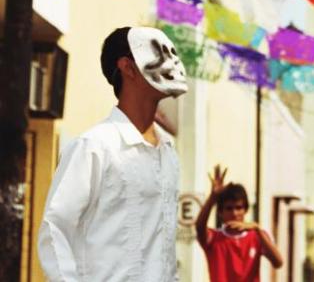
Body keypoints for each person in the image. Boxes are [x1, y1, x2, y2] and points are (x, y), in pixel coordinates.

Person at [38, 26, 188, 281]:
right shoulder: (93, 147)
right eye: (158, 52)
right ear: (128, 68)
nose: (172, 61)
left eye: (172, 52)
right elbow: (55, 230)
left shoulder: (168, 153)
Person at [195, 164, 283, 280]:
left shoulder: (257, 235)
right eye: (229, 208)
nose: (234, 213)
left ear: (245, 209)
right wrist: (213, 198)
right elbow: (199, 226)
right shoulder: (214, 238)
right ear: (220, 212)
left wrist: (257, 229)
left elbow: (278, 263)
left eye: (239, 207)